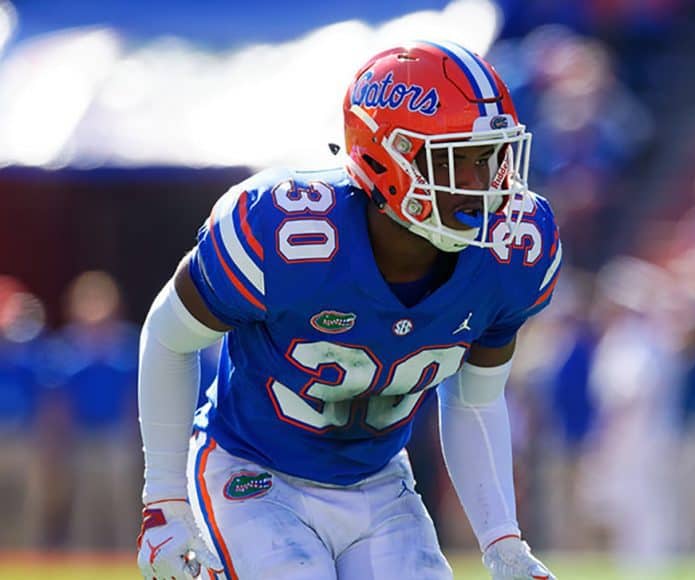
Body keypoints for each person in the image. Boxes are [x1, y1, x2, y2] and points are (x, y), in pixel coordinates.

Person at [135, 41, 561, 580]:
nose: (485, 186)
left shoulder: (512, 251)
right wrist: (165, 503)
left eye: (491, 158)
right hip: (251, 472)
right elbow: (170, 336)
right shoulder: (289, 232)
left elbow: (475, 402)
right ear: (390, 156)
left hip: (379, 481)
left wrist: (503, 544)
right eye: (458, 159)